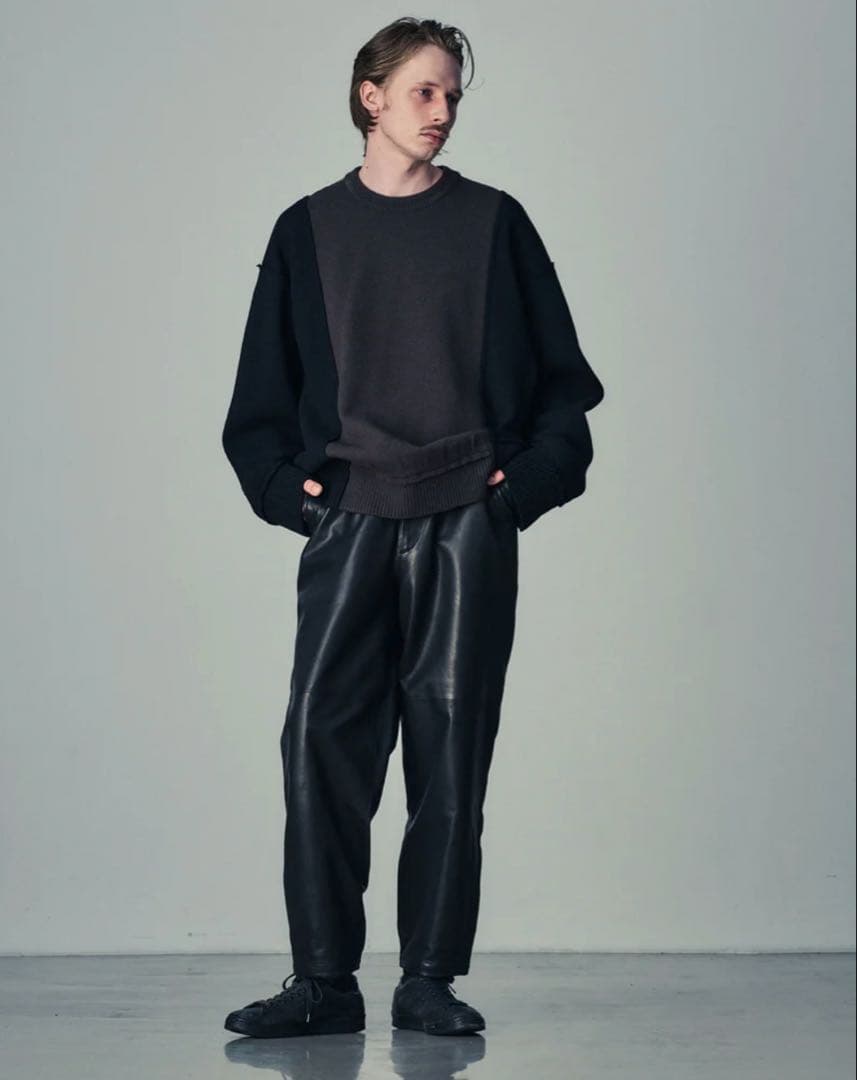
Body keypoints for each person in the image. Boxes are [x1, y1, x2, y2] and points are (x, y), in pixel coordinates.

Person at [221, 16, 604, 1039]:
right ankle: (322, 983)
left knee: (451, 755)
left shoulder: (494, 224)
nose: (442, 112)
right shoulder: (306, 230)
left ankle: (428, 978)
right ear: (371, 95)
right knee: (319, 747)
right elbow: (258, 403)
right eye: (424, 91)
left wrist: (513, 494)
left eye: (451, 96)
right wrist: (299, 500)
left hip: (465, 525)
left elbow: (565, 394)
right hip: (349, 519)